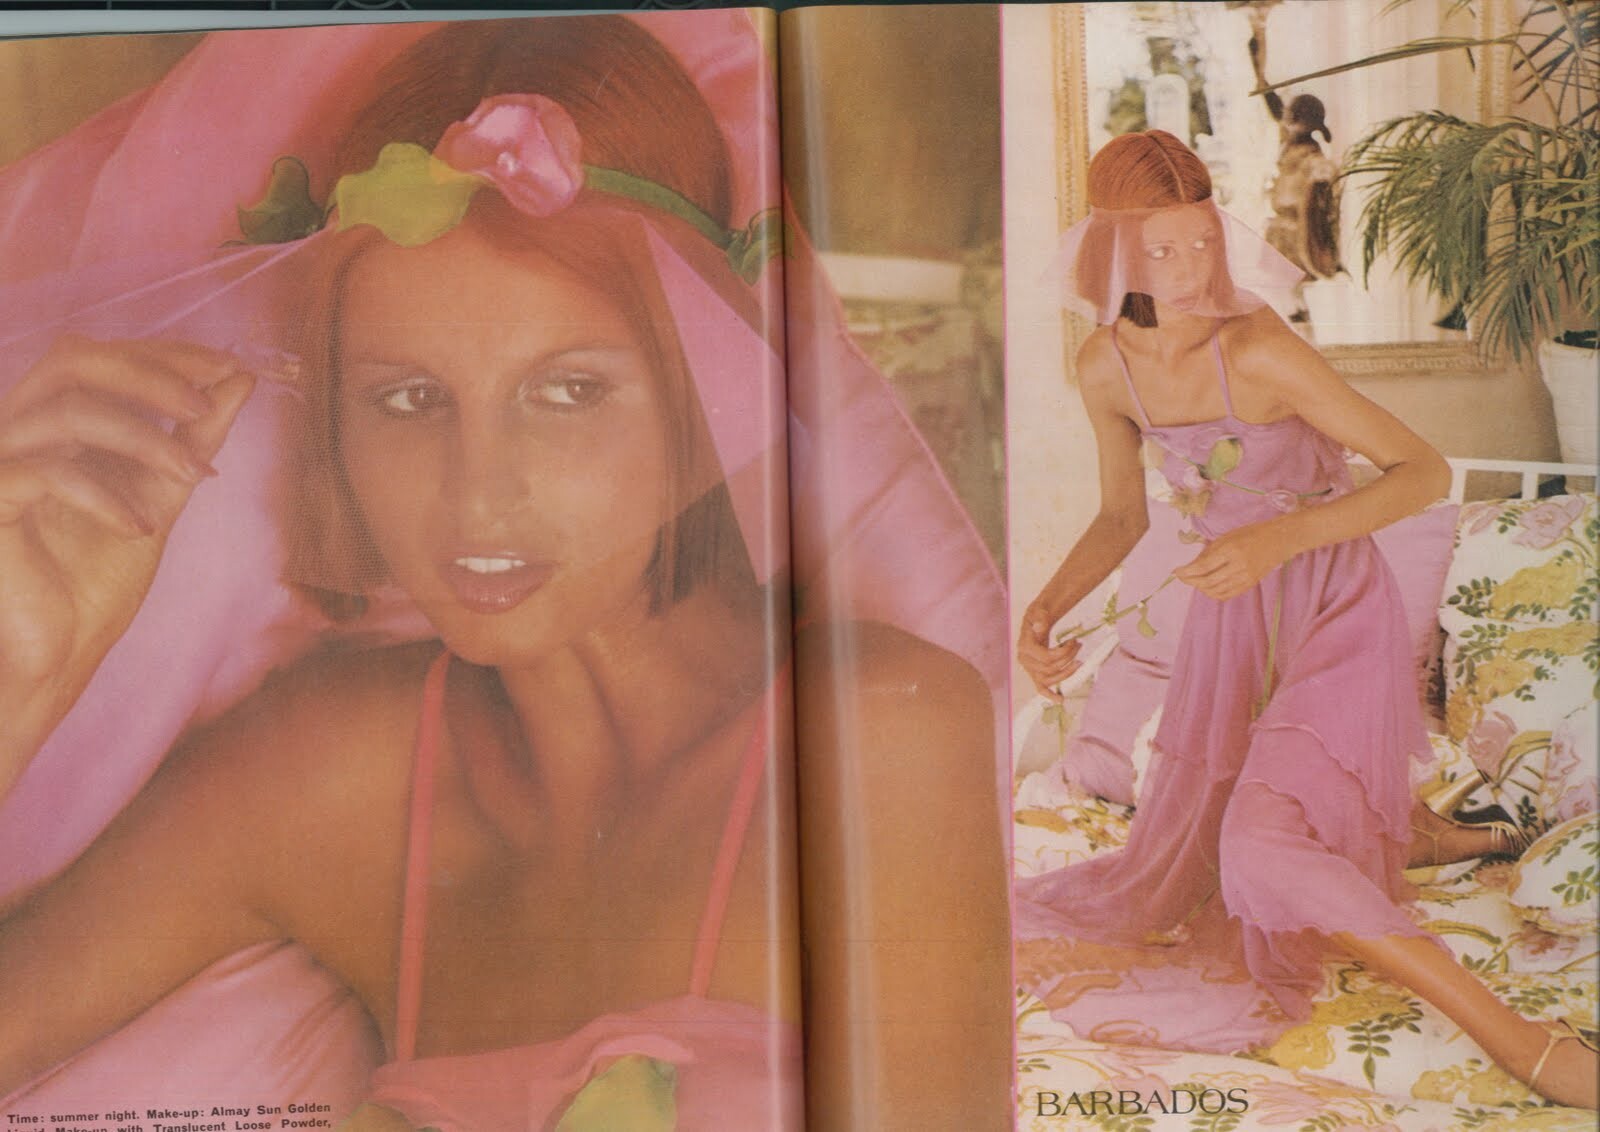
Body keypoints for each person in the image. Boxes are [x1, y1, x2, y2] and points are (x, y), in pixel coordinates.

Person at [0, 15, 1009, 1130]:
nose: (478, 496)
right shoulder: (328, 775)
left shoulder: (874, 738)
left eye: (568, 391)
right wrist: (23, 681)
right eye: (407, 399)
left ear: (699, 386)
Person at [1014, 129, 1598, 1109]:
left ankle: (1525, 1043)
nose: (1193, 269)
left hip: (1333, 609)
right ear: (1113, 254)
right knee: (1209, 855)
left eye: (1204, 240)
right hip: (1234, 627)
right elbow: (1122, 515)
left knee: (1260, 848)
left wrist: (1275, 541)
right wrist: (1041, 611)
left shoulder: (1258, 348)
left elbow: (1422, 473)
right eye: (1163, 250)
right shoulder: (1104, 365)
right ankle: (1458, 837)